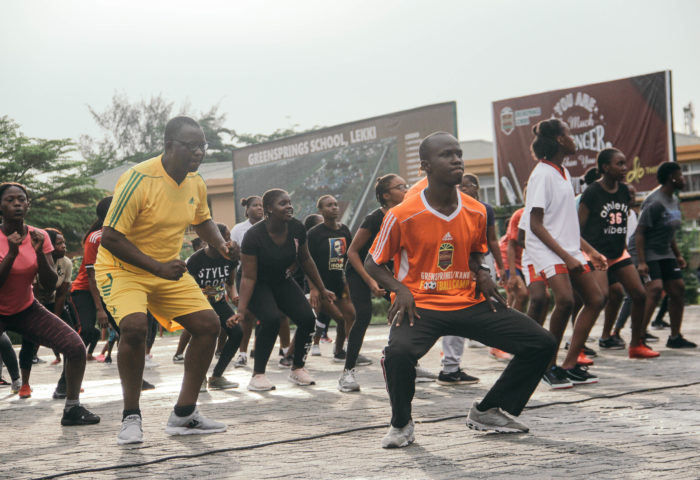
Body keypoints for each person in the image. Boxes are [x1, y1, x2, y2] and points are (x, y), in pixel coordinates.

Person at [366, 132, 556, 448]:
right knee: (398, 354)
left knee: (541, 343)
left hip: (468, 301)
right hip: (421, 304)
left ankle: (490, 410)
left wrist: (482, 273)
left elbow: (474, 251)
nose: (456, 159)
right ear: (425, 165)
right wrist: (399, 290)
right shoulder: (403, 214)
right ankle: (401, 424)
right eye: (446, 155)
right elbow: (373, 263)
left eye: (458, 153)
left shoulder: (476, 210)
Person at [95, 116, 237, 445]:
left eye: (203, 146)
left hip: (167, 269)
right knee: (133, 327)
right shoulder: (138, 178)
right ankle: (131, 417)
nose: (199, 152)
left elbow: (203, 220)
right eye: (192, 146)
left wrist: (221, 245)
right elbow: (110, 238)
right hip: (123, 269)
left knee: (208, 325)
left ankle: (185, 414)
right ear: (170, 146)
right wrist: (157, 268)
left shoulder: (195, 182)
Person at [0, 182, 100, 426]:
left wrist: (37, 254)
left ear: (28, 204)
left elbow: (49, 283)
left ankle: (72, 409)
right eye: (10, 200)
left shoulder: (39, 236)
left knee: (75, 348)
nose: (17, 204)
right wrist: (12, 253)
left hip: (26, 308)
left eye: (21, 200)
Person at [522, 119, 606, 389]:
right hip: (546, 247)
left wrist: (589, 251)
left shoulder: (563, 172)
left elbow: (566, 222)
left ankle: (570, 364)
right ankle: (548, 366)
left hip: (567, 247)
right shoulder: (541, 174)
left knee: (595, 299)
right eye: (569, 134)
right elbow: (535, 225)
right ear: (559, 140)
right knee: (566, 301)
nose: (573, 138)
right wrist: (567, 258)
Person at [231, 189, 336, 391]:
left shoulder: (296, 228)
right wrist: (242, 310)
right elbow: (248, 276)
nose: (289, 206)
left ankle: (297, 369)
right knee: (271, 319)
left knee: (307, 318)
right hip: (256, 282)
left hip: (281, 279)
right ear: (269, 209)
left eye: (289, 202)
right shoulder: (254, 236)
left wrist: (322, 289)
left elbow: (305, 259)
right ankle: (258, 375)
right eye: (282, 203)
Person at [578, 149, 657, 358]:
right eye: (619, 164)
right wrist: (590, 253)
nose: (625, 168)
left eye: (625, 164)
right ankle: (577, 348)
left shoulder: (623, 191)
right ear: (605, 167)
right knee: (599, 297)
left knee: (639, 294)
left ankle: (636, 345)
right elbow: (576, 229)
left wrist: (622, 251)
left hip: (617, 252)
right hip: (595, 253)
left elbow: (621, 224)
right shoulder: (592, 192)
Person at [340, 174, 406, 392]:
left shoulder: (404, 215)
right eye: (400, 187)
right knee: (364, 314)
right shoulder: (374, 218)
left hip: (382, 271)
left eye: (406, 185)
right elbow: (352, 252)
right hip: (358, 271)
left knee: (407, 307)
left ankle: (410, 363)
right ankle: (347, 373)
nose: (406, 189)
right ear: (386, 195)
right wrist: (369, 281)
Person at [633, 161, 696, 348]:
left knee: (678, 289)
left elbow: (669, 230)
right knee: (654, 289)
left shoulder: (674, 199)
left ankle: (675, 337)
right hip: (647, 250)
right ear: (672, 178)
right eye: (681, 175)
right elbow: (640, 232)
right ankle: (639, 337)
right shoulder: (654, 201)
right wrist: (642, 262)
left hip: (665, 250)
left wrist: (677, 255)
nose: (684, 179)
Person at [16, 228, 75, 398]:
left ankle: (67, 382)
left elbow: (62, 293)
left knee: (72, 340)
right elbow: (33, 290)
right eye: (59, 243)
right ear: (49, 245)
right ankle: (24, 384)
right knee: (28, 342)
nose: (64, 246)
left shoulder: (67, 263)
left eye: (64, 242)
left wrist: (56, 318)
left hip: (55, 303)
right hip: (32, 303)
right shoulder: (34, 259)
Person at [186, 222, 242, 389]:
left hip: (218, 301)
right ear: (213, 240)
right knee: (204, 336)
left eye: (230, 238)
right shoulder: (196, 260)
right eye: (226, 238)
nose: (229, 242)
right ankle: (199, 378)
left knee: (237, 333)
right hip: (198, 304)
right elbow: (188, 287)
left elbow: (230, 283)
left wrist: (234, 296)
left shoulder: (230, 258)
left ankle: (217, 377)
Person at [307, 195, 355, 362]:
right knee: (339, 319)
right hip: (322, 287)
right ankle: (292, 354)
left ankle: (341, 351)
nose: (334, 207)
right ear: (320, 210)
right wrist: (313, 288)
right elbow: (307, 262)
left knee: (351, 316)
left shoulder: (344, 230)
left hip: (339, 285)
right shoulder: (314, 234)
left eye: (335, 204)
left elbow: (349, 257)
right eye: (329, 205)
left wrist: (348, 282)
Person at [230, 196, 264, 368]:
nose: (259, 208)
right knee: (247, 316)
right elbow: (233, 257)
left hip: (265, 275)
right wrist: (234, 289)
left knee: (272, 316)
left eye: (261, 205)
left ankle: (278, 350)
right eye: (255, 205)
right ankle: (242, 353)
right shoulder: (239, 229)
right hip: (245, 274)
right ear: (247, 209)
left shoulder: (270, 226)